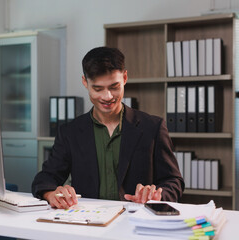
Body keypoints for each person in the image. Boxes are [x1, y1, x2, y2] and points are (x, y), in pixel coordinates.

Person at [32, 46, 184, 209]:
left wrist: (158, 194)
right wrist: (51, 193)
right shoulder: (70, 132)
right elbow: (44, 179)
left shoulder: (153, 127)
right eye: (98, 89)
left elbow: (174, 181)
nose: (107, 97)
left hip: (137, 223)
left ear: (125, 78)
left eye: (114, 87)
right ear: (85, 82)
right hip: (89, 224)